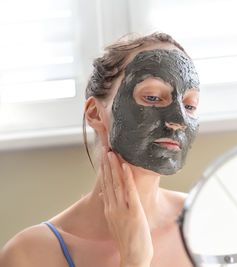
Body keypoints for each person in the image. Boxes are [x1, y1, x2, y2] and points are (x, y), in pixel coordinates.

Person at [0, 32, 200, 267]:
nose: (179, 119)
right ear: (95, 113)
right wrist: (134, 260)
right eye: (152, 97)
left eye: (189, 105)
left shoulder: (208, 220)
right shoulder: (30, 255)